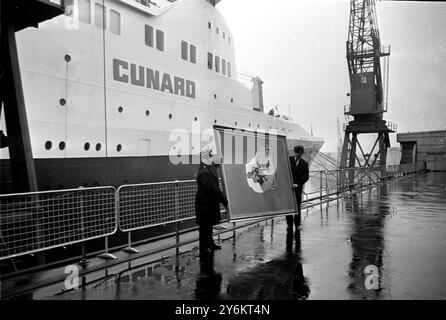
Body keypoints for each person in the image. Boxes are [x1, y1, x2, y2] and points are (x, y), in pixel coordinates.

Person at [195, 148, 228, 254]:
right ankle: (204, 248)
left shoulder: (207, 168)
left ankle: (210, 244)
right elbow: (212, 189)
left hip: (207, 204)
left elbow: (217, 163)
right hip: (204, 205)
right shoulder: (205, 172)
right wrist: (223, 199)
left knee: (208, 227)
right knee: (205, 228)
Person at [287, 145, 309, 231]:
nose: (296, 154)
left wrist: (298, 184)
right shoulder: (289, 159)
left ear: (301, 153)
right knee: (289, 207)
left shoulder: (304, 163)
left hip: (297, 188)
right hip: (289, 188)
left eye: (298, 153)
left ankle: (297, 225)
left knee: (297, 207)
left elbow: (306, 177)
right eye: (295, 152)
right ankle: (289, 225)